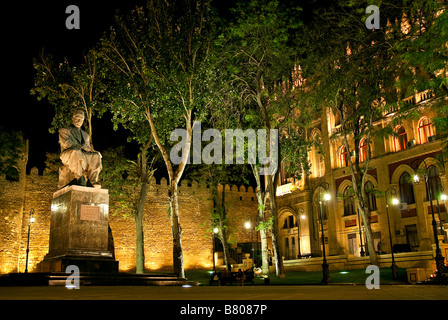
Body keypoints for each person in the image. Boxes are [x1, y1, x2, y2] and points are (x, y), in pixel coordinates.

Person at [58, 110, 102, 189]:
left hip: (82, 154)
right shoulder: (64, 130)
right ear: (73, 118)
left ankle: (92, 181)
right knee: (76, 151)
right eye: (77, 118)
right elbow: (67, 144)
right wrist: (82, 147)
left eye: (81, 119)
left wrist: (93, 151)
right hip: (68, 154)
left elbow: (87, 148)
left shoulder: (85, 135)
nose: (79, 120)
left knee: (96, 156)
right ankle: (79, 177)